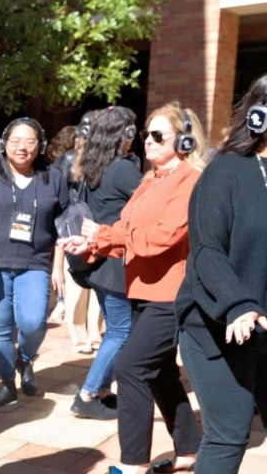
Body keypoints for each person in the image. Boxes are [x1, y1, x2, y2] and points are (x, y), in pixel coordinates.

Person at [61, 101, 205, 474]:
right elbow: (125, 229)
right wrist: (92, 244)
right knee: (159, 372)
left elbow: (164, 237)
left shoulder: (189, 179)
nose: (148, 141)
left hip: (171, 293)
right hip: (141, 289)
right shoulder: (151, 179)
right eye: (146, 134)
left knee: (129, 368)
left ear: (185, 141)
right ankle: (190, 449)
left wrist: (104, 234)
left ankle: (133, 464)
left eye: (159, 135)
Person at [174, 75, 267, 473]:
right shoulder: (226, 172)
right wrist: (240, 304)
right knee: (229, 433)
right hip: (216, 324)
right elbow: (206, 252)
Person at [0, 117, 68, 408]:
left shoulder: (54, 177)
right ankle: (6, 381)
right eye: (16, 141)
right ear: (4, 143)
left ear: (41, 146)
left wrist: (58, 266)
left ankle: (25, 361)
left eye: (30, 141)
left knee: (34, 322)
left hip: (35, 262)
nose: (22, 147)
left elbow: (64, 224)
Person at [65, 107, 142, 420]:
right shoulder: (122, 168)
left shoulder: (94, 165)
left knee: (115, 329)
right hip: (114, 263)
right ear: (122, 135)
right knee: (121, 332)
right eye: (132, 131)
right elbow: (149, 203)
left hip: (100, 262)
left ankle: (102, 392)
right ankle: (86, 395)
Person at [51, 115, 104, 353]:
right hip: (74, 227)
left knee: (98, 286)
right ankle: (80, 336)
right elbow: (59, 200)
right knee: (76, 287)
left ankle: (95, 333)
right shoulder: (67, 161)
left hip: (98, 228)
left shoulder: (106, 163)